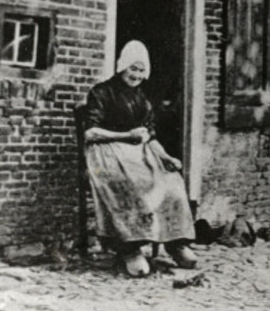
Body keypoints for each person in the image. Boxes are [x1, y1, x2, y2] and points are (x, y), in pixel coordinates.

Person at [83, 40, 198, 277]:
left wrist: (166, 157)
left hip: (137, 153)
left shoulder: (142, 99)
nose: (136, 75)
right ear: (122, 67)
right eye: (132, 69)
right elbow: (90, 133)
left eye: (141, 70)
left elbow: (150, 137)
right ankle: (130, 248)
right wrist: (127, 135)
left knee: (172, 182)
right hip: (106, 152)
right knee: (132, 185)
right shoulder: (101, 92)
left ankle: (175, 243)